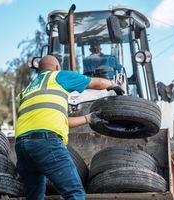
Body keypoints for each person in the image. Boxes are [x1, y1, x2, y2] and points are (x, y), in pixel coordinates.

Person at [15, 55, 124, 200]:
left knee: (34, 196)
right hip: (46, 142)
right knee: (74, 193)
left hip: (22, 147)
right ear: (57, 68)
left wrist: (88, 118)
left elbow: (59, 120)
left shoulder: (27, 89)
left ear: (39, 70)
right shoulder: (59, 76)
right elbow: (96, 82)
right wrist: (112, 84)